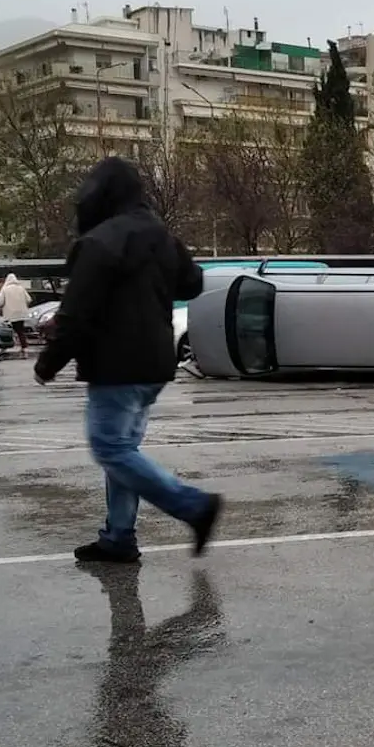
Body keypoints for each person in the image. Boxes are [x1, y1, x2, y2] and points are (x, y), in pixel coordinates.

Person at [34, 156, 222, 563]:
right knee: (124, 451)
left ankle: (194, 507)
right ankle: (118, 537)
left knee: (111, 450)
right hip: (155, 363)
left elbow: (76, 313)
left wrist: (48, 362)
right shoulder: (161, 237)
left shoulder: (98, 243)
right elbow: (193, 282)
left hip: (116, 366)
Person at [0, 273, 33, 358]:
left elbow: (0, 302)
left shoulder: (5, 289)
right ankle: (24, 348)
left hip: (11, 314)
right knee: (20, 331)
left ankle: (15, 346)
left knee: (12, 330)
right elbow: (29, 299)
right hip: (22, 314)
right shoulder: (21, 288)